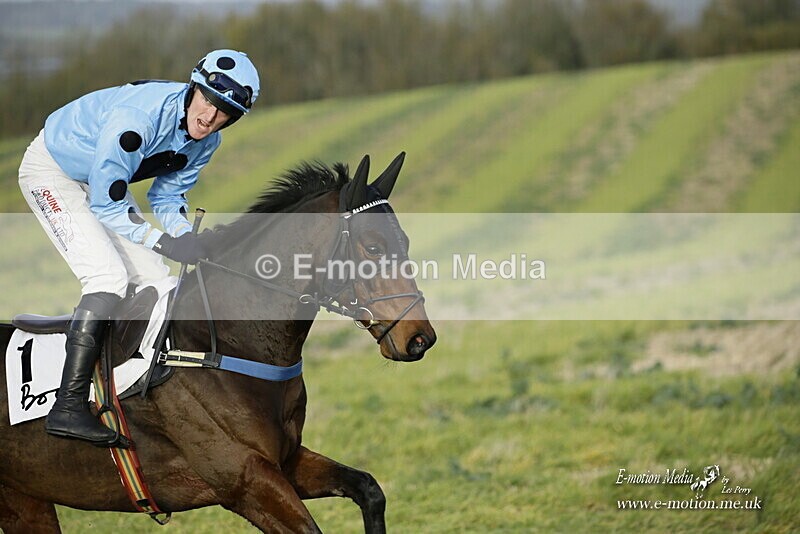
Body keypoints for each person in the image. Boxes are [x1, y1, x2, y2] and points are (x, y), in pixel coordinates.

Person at [17, 49, 260, 447]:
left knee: (155, 279)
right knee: (108, 278)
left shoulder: (206, 142)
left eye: (225, 113)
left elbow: (168, 196)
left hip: (99, 182)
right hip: (54, 172)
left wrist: (183, 236)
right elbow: (106, 202)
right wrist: (163, 240)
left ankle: (128, 384)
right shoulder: (139, 121)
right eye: (208, 102)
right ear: (193, 88)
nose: (210, 117)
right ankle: (68, 405)